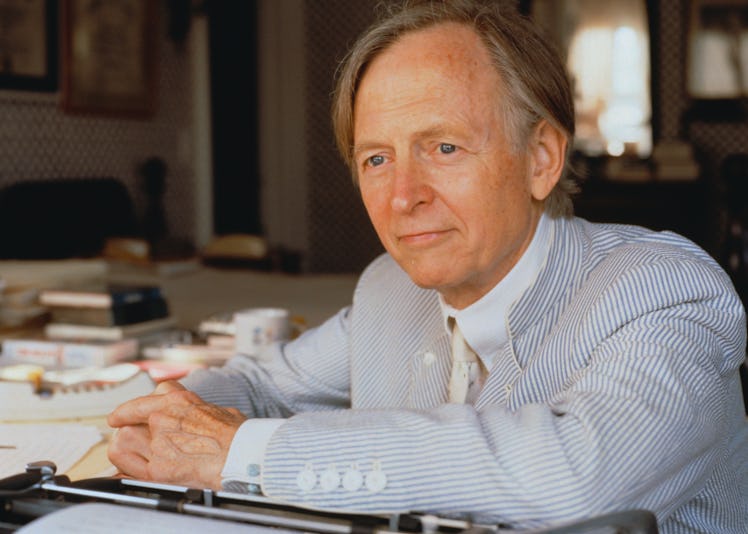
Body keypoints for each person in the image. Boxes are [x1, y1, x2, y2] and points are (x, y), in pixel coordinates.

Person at [108, 0, 748, 531]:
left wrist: (243, 452)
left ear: (542, 159)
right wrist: (160, 419)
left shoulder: (664, 291)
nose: (402, 196)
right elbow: (261, 385)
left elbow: (578, 477)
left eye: (443, 147)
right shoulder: (390, 290)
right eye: (376, 159)